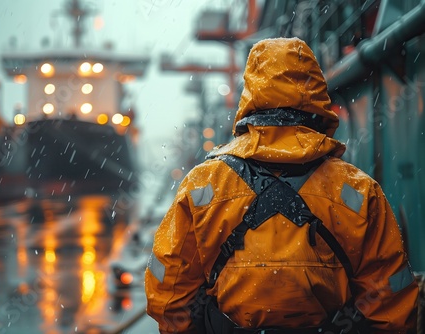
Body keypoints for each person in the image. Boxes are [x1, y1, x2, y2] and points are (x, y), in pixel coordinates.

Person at [144, 37, 418, 333]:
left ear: (251, 95)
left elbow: (167, 286)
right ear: (315, 93)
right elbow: (391, 301)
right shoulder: (358, 189)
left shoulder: (203, 183)